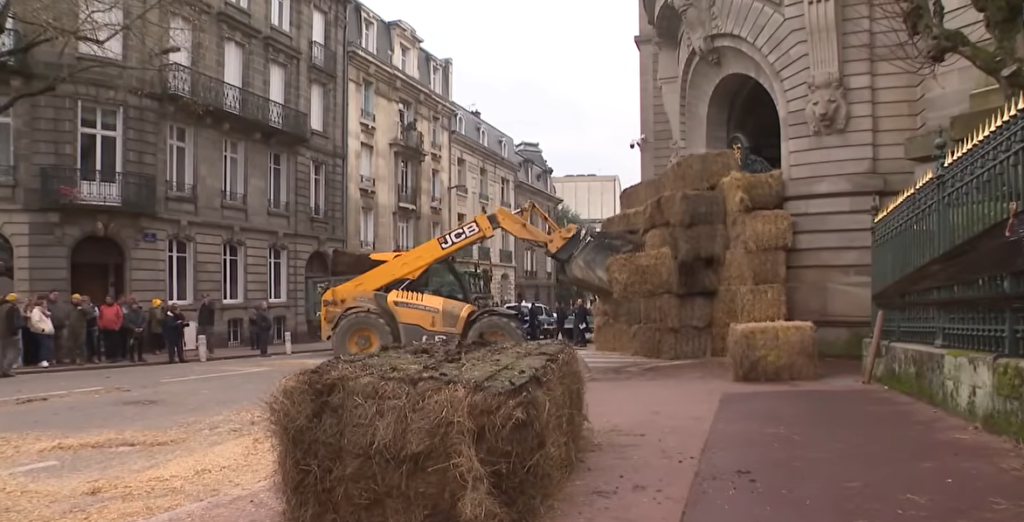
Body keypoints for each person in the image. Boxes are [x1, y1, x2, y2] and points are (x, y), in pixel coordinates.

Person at [29, 296, 55, 368]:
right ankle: (42, 360)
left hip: (48, 331)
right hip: (41, 332)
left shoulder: (45, 312)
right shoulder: (36, 311)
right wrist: (41, 329)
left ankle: (47, 359)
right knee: (43, 346)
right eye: (44, 303)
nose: (46, 305)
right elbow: (35, 322)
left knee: (48, 346)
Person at [98, 295, 124, 362]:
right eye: (107, 299)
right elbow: (99, 317)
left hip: (114, 328)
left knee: (115, 343)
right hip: (105, 328)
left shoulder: (117, 307)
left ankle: (115, 357)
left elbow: (120, 317)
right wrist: (100, 325)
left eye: (109, 299)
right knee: (107, 343)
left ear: (112, 300)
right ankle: (108, 357)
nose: (108, 300)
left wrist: (118, 327)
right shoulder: (102, 307)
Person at [46, 290, 69, 365]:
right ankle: (52, 359)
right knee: (51, 344)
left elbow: (64, 314)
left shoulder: (60, 304)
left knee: (60, 344)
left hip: (60, 326)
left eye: (57, 295)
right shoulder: (46, 304)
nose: (56, 296)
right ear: (49, 295)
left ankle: (60, 358)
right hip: (51, 326)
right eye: (54, 294)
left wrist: (65, 321)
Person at [0, 293, 20, 377]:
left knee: (2, 353)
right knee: (13, 352)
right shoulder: (12, 308)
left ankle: (1, 370)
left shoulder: (1, 307)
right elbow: (12, 321)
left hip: (1, 333)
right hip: (9, 333)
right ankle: (6, 370)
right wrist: (15, 331)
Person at [66, 294, 88, 366]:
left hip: (80, 329)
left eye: (76, 299)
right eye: (73, 299)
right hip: (71, 329)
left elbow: (89, 312)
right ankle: (73, 358)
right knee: (71, 344)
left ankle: (82, 359)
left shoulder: (83, 307)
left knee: (81, 344)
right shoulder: (70, 308)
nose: (74, 300)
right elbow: (67, 316)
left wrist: (82, 307)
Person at [82, 296, 100, 363]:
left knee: (93, 343)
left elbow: (96, 315)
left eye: (85, 300)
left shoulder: (94, 307)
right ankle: (87, 357)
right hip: (84, 327)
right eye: (83, 300)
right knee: (85, 343)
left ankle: (94, 357)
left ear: (89, 300)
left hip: (92, 327)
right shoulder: (81, 308)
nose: (84, 302)